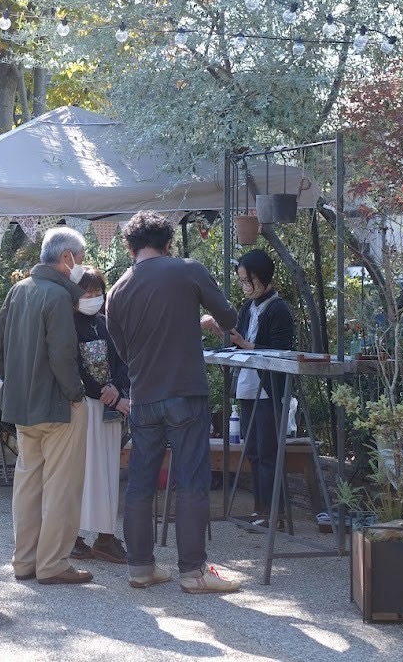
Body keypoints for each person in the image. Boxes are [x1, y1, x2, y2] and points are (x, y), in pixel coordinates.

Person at [105, 210, 242, 593]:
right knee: (191, 480)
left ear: (129, 246)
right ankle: (193, 572)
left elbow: (123, 350)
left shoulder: (116, 291)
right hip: (184, 391)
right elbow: (228, 315)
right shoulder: (187, 270)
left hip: (143, 396)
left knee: (140, 483)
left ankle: (141, 567)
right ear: (169, 243)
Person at [0, 226, 91, 585]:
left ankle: (24, 562)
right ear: (67, 259)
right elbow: (62, 354)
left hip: (22, 406)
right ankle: (53, 564)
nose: (82, 264)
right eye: (82, 257)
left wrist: (10, 378)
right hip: (58, 407)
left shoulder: (20, 290)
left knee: (27, 485)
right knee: (61, 487)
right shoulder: (58, 297)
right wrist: (76, 393)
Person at [203, 249, 295, 527]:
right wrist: (224, 332)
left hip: (268, 389)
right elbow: (238, 341)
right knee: (253, 451)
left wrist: (246, 345)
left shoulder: (279, 309)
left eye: (247, 281)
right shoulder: (247, 308)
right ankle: (260, 510)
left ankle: (274, 513)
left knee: (268, 451)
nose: (244, 287)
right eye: (242, 281)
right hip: (247, 386)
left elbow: (281, 351)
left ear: (263, 278)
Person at [71, 266, 131, 564]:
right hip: (84, 408)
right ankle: (74, 535)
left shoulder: (107, 323)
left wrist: (117, 390)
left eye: (98, 293)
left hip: (110, 408)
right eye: (87, 293)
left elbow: (123, 359)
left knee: (108, 472)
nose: (93, 298)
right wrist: (103, 392)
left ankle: (106, 535)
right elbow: (74, 367)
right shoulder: (68, 324)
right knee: (84, 471)